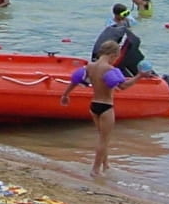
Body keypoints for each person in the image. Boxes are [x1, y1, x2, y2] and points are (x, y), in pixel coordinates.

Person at [60, 39, 155, 175]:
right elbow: (123, 86)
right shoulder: (110, 69)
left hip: (94, 106)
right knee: (104, 140)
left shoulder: (89, 67)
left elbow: (75, 80)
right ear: (113, 55)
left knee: (101, 137)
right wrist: (139, 76)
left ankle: (106, 165)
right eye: (115, 57)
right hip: (106, 106)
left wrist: (65, 95)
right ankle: (95, 170)